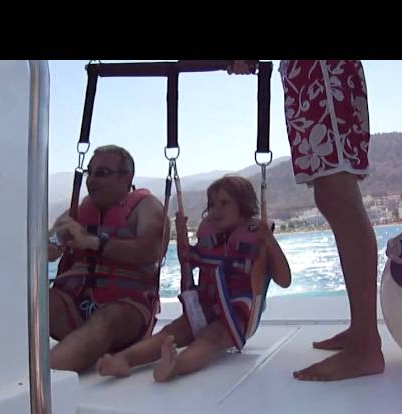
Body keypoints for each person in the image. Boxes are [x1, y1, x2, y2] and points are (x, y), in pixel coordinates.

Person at [229, 60, 385, 381]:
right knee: (332, 192)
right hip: (306, 72)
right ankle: (361, 331)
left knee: (336, 191)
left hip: (322, 69)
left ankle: (366, 345)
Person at [97, 175, 291, 382]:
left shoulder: (258, 240)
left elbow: (284, 280)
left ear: (243, 205)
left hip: (236, 316)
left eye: (224, 204)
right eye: (212, 205)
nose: (216, 211)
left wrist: (269, 241)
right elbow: (188, 261)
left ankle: (175, 366)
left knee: (211, 338)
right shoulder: (210, 237)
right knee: (172, 331)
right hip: (206, 306)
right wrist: (182, 237)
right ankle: (123, 360)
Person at [48, 145, 168, 373]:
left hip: (126, 314)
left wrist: (92, 242)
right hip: (75, 307)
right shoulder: (80, 210)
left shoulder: (147, 208)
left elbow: (151, 252)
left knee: (107, 319)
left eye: (102, 173)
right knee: (33, 301)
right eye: (89, 172)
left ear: (127, 177)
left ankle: (36, 385)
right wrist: (52, 242)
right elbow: (47, 247)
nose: (91, 180)